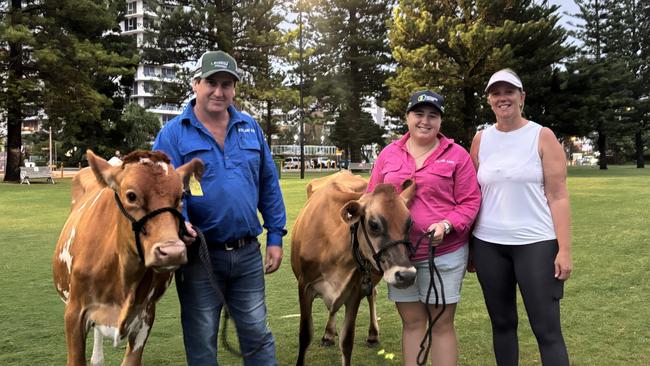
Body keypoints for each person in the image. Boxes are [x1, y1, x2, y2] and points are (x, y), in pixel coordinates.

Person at [153, 50, 287, 366]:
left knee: (257, 336)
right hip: (200, 256)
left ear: (234, 89)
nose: (219, 91)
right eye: (211, 82)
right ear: (195, 84)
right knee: (201, 342)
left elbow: (268, 183)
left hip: (246, 254)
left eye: (227, 84)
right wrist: (181, 223)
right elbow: (160, 191)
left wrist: (277, 235)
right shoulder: (173, 133)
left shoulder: (250, 128)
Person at [367, 90, 481, 366]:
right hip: (399, 256)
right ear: (407, 117)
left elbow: (470, 201)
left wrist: (447, 224)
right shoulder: (389, 155)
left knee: (441, 324)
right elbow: (371, 198)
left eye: (433, 115)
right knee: (412, 323)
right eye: (419, 114)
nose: (425, 121)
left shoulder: (457, 155)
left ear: (440, 121)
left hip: (444, 252)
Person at [469, 69, 572, 366]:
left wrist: (564, 250)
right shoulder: (481, 139)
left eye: (509, 91)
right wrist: (471, 247)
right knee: (502, 326)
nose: (503, 98)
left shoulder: (542, 136)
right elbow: (474, 194)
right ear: (489, 100)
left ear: (522, 97)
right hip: (489, 245)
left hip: (536, 244)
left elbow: (559, 196)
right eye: (496, 93)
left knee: (546, 330)